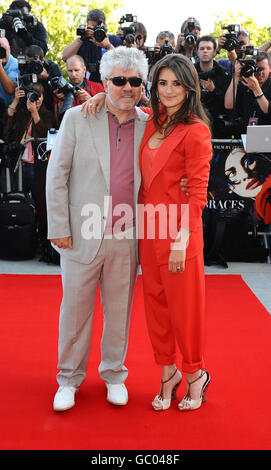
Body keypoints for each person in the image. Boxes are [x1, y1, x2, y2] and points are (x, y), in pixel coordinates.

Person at [83, 53, 213, 412]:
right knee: (156, 309)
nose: (168, 90)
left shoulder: (196, 131)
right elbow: (120, 101)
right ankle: (167, 373)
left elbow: (198, 191)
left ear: (190, 88)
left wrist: (182, 239)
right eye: (162, 83)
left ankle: (195, 375)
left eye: (176, 83)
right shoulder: (151, 121)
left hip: (178, 235)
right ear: (154, 87)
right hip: (147, 231)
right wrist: (97, 95)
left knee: (185, 312)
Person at [46, 46, 149, 411]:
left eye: (134, 81)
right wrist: (58, 225)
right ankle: (68, 379)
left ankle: (114, 375)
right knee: (75, 310)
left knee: (119, 311)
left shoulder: (149, 124)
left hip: (127, 233)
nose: (127, 87)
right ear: (104, 82)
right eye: (118, 80)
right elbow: (56, 174)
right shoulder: (77, 117)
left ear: (142, 85)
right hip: (80, 231)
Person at [4, 82, 55, 245]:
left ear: (43, 97)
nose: (36, 99)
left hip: (38, 166)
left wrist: (35, 113)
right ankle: (19, 236)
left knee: (41, 202)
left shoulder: (47, 115)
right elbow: (5, 129)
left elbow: (45, 136)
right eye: (33, 95)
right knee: (17, 200)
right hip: (19, 164)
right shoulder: (21, 114)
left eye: (39, 95)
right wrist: (15, 102)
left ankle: (40, 238)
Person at [62, 8, 122, 83]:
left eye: (99, 27)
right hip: (88, 88)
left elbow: (123, 64)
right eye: (93, 28)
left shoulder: (114, 40)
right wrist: (81, 38)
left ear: (105, 26)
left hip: (111, 85)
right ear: (88, 26)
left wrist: (108, 46)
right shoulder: (83, 41)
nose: (96, 31)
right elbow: (65, 57)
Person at [224, 51, 271, 137]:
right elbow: (228, 105)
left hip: (267, 138)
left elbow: (268, 110)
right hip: (243, 138)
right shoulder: (244, 84)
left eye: (262, 69)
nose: (259, 73)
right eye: (256, 69)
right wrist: (236, 77)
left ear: (270, 68)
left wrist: (257, 89)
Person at [194, 35, 231, 137]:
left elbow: (228, 105)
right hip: (193, 120)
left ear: (215, 52)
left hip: (218, 125)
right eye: (202, 48)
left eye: (208, 48)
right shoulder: (189, 72)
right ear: (197, 51)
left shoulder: (223, 73)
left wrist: (214, 91)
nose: (205, 51)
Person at [55, 54, 104, 119]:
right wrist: (60, 102)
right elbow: (57, 121)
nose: (73, 74)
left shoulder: (97, 87)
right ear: (66, 71)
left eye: (76, 70)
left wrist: (90, 99)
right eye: (70, 71)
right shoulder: (61, 90)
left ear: (84, 70)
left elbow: (104, 114)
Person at [0, 36, 19, 108]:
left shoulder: (15, 64)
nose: (3, 53)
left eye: (5, 50)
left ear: (10, 49)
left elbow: (10, 90)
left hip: (8, 109)